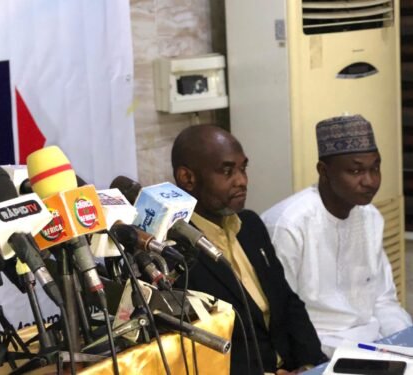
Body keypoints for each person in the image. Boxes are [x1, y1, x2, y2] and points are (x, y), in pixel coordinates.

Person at [171, 125, 326, 374]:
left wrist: (309, 365)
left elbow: (287, 302)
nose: (242, 181)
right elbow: (194, 348)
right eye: (227, 171)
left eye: (243, 168)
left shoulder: (250, 225)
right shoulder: (173, 251)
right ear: (187, 178)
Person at [262, 114, 411, 355]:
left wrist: (405, 341)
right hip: (319, 348)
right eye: (355, 171)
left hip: (372, 343)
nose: (370, 181)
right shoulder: (289, 225)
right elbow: (281, 317)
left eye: (375, 168)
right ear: (324, 171)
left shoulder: (370, 217)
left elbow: (383, 299)